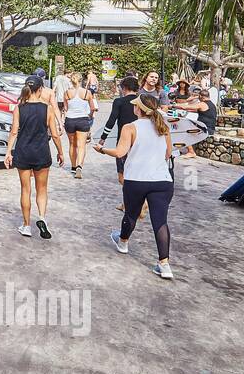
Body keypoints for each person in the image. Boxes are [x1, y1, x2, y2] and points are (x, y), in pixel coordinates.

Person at [93, 93, 176, 280]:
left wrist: (102, 149)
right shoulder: (163, 127)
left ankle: (123, 243)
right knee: (160, 221)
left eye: (135, 105)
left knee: (131, 214)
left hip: (136, 179)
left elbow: (120, 152)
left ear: (139, 109)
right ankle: (165, 264)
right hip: (162, 180)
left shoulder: (130, 127)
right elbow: (168, 153)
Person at [5, 75, 66, 239]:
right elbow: (55, 135)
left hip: (23, 152)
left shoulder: (19, 108)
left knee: (25, 189)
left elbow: (13, 132)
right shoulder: (47, 109)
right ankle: (42, 217)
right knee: (42, 189)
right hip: (41, 153)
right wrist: (60, 152)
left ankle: (26, 226)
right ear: (40, 90)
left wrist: (8, 152)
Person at [97, 75, 141, 211]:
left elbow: (111, 121)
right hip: (140, 141)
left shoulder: (119, 102)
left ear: (124, 88)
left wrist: (103, 137)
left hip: (124, 141)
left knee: (122, 175)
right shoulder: (142, 101)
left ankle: (129, 203)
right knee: (138, 173)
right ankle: (135, 202)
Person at [62, 72, 97, 178]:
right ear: (82, 80)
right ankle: (79, 167)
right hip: (83, 120)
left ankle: (73, 167)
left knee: (72, 145)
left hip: (70, 120)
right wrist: (90, 116)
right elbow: (92, 108)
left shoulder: (67, 93)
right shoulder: (87, 93)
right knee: (82, 145)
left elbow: (65, 108)